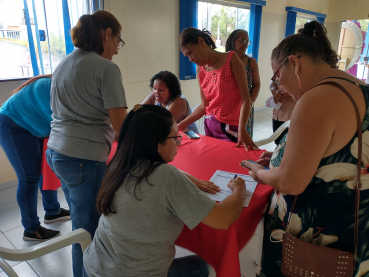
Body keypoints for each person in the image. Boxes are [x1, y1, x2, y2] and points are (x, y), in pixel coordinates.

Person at [243, 21, 369, 276]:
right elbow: (331, 150)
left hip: (316, 236)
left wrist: (258, 173)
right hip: (356, 228)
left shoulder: (317, 99)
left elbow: (290, 183)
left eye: (277, 76)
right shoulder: (361, 89)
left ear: (295, 64)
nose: (280, 86)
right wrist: (281, 155)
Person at [83, 104, 247, 277]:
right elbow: (223, 218)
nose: (178, 142)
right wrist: (239, 190)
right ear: (157, 144)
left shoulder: (120, 163)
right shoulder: (166, 177)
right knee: (202, 266)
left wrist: (188, 179)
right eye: (175, 137)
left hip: (93, 268)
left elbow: (163, 175)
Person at [46, 10, 127, 277]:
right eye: (118, 40)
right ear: (106, 34)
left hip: (57, 152)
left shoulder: (64, 63)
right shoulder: (106, 68)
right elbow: (121, 127)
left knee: (80, 227)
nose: (117, 48)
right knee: (88, 230)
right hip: (83, 158)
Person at [0, 75, 70, 241]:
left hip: (36, 127)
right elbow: (64, 124)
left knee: (46, 170)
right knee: (29, 178)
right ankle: (31, 229)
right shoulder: (48, 87)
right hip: (14, 126)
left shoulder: (65, 89)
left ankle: (53, 211)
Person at [179, 28, 258, 150]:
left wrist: (242, 129)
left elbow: (245, 98)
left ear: (201, 41)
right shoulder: (200, 69)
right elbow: (204, 106)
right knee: (213, 162)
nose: (190, 59)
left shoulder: (231, 60)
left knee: (230, 163)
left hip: (231, 127)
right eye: (186, 56)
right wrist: (178, 126)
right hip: (210, 125)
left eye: (190, 52)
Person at [225, 29, 261, 138]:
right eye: (242, 41)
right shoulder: (223, 60)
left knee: (242, 136)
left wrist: (250, 103)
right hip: (227, 104)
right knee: (227, 136)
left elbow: (256, 85)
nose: (245, 45)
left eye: (247, 42)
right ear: (232, 41)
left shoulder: (251, 62)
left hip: (245, 104)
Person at [269, 79, 296, 145]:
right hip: (276, 114)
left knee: (288, 144)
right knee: (277, 142)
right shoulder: (277, 70)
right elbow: (272, 81)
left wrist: (284, 95)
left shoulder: (298, 72)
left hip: (290, 115)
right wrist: (274, 91)